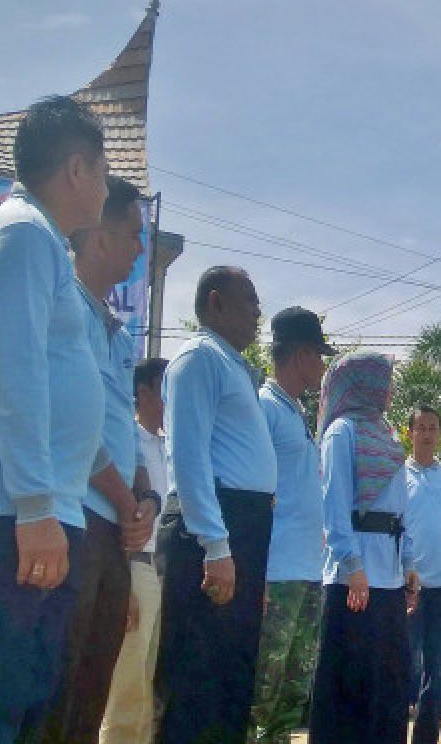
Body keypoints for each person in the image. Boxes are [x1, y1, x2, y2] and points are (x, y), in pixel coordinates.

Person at [0, 95, 108, 743]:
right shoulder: (20, 233)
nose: (107, 187)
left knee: (24, 702)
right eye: (103, 171)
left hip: (43, 510)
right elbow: (13, 376)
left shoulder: (41, 242)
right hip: (9, 514)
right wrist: (33, 507)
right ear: (76, 170)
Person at [39, 177, 156, 744]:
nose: (140, 248)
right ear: (102, 235)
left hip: (114, 530)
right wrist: (124, 499)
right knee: (57, 690)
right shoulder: (68, 311)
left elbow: (125, 433)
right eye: (134, 234)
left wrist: (145, 500)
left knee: (93, 684)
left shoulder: (117, 330)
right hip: (77, 522)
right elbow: (73, 427)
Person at [156, 266, 277, 743]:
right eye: (248, 299)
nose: (257, 312)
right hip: (211, 527)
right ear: (215, 302)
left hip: (240, 527)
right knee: (196, 680)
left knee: (231, 678)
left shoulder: (234, 368)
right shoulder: (198, 359)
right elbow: (186, 456)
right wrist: (215, 544)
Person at [307, 352, 419, 743]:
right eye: (383, 380)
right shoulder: (342, 432)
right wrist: (352, 566)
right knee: (348, 689)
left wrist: (408, 563)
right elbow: (334, 506)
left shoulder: (387, 435)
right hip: (352, 580)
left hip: (387, 581)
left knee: (387, 690)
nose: (389, 390)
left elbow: (400, 510)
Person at [249, 308, 334, 743]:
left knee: (291, 695)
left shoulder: (294, 410)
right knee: (261, 691)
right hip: (275, 574)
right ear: (301, 354)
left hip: (305, 571)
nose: (322, 366)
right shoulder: (264, 406)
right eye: (319, 355)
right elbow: (257, 497)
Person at [100, 357, 170, 743]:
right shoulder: (129, 442)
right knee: (125, 690)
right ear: (142, 393)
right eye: (164, 391)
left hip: (162, 569)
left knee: (146, 687)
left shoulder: (167, 446)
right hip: (134, 566)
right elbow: (120, 518)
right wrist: (125, 581)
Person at [404, 405, 441, 744]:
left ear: (440, 434)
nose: (426, 433)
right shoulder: (397, 474)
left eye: (432, 427)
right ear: (409, 433)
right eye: (420, 427)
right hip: (406, 587)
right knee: (404, 668)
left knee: (435, 674)